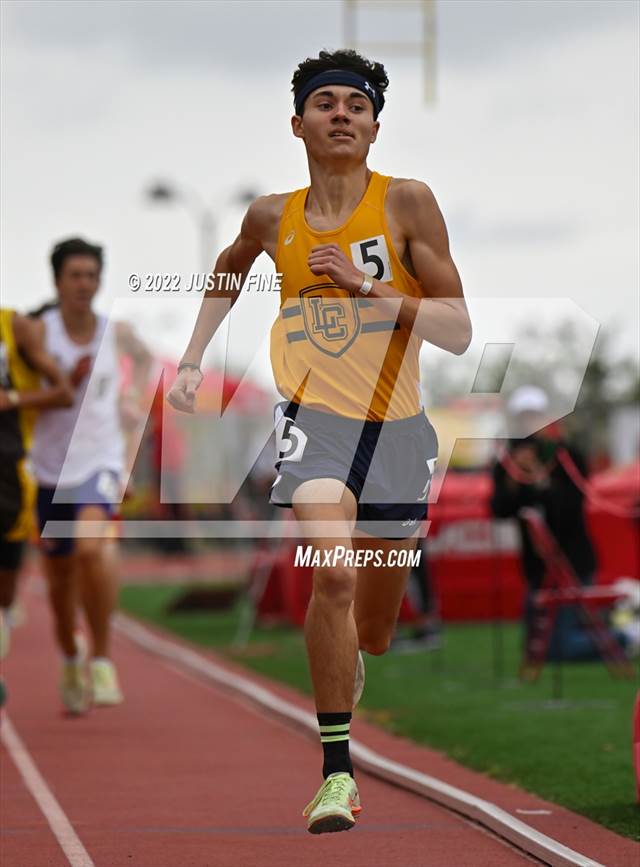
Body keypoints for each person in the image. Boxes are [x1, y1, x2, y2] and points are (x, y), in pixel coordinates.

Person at [167, 49, 471, 833]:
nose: (342, 113)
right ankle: (338, 772)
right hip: (314, 427)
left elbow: (460, 331)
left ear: (375, 125)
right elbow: (229, 270)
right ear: (298, 123)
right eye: (326, 103)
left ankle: (354, 655)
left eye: (357, 105)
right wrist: (195, 355)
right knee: (330, 575)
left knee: (371, 625)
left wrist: (368, 286)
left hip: (397, 432)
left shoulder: (407, 202)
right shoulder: (274, 216)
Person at [30, 237, 151, 715]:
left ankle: (102, 658)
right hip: (47, 469)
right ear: (57, 280)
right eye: (75, 275)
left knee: (91, 546)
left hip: (99, 462)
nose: (84, 284)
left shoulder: (113, 331)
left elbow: (143, 362)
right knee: (59, 589)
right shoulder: (39, 333)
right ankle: (70, 655)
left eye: (91, 275)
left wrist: (133, 396)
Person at [490, 385, 600, 665]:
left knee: (556, 648)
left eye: (534, 416)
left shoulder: (566, 455)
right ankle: (608, 632)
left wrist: (539, 478)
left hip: (571, 561)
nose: (529, 423)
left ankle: (626, 637)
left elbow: (571, 508)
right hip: (536, 567)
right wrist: (516, 479)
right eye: (524, 416)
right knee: (535, 650)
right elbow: (499, 509)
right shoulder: (508, 459)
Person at [0, 308, 74, 705]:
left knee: (5, 595)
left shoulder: (14, 327)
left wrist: (11, 398)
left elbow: (62, 392)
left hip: (8, 473)